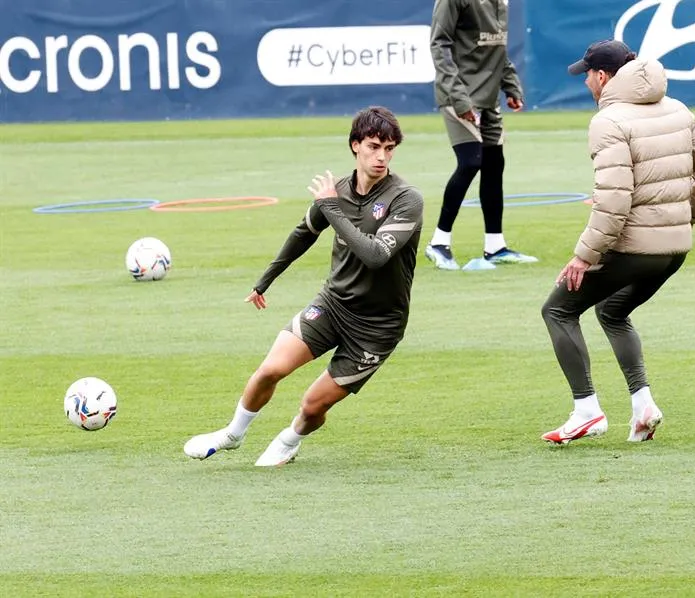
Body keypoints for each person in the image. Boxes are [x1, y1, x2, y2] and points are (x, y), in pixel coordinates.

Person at [183, 106, 423, 466]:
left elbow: (375, 256)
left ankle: (290, 438)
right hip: (334, 304)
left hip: (377, 326)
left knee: (313, 405)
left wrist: (331, 208)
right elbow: (304, 233)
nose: (382, 157)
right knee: (270, 369)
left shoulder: (406, 199)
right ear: (355, 145)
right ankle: (233, 433)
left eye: (389, 149)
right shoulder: (338, 190)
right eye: (374, 146)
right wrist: (265, 280)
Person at [540, 40, 695, 445]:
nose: (586, 81)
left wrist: (582, 256)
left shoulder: (608, 121)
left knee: (557, 310)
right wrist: (682, 217)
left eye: (588, 74)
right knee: (612, 310)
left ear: (603, 77)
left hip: (633, 250)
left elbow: (614, 200)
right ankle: (643, 408)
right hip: (674, 250)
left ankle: (586, 411)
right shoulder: (677, 107)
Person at [424, 0, 538, 270]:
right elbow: (439, 45)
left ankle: (495, 247)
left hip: (488, 98)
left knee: (494, 163)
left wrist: (511, 86)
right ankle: (438, 243)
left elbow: (497, 50)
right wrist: (460, 99)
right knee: (471, 161)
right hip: (458, 96)